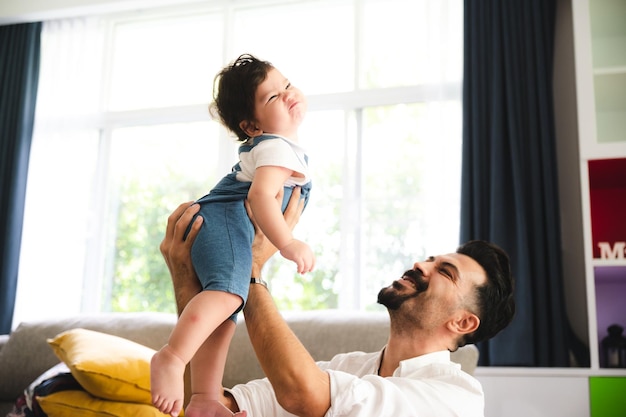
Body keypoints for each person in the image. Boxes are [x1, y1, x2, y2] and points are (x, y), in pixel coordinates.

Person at [159, 188, 516, 417]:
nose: (421, 265)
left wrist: (249, 269)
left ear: (463, 323)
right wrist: (186, 279)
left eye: (445, 272)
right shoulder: (348, 367)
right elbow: (211, 405)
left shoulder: (456, 397)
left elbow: (301, 394)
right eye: (430, 259)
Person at [151, 54, 315, 417]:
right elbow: (258, 196)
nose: (288, 95)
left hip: (226, 224)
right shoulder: (275, 147)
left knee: (224, 313)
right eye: (273, 97)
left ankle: (205, 398)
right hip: (226, 220)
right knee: (226, 296)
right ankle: (172, 356)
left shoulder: (280, 146)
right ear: (252, 126)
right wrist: (286, 243)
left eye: (286, 85)